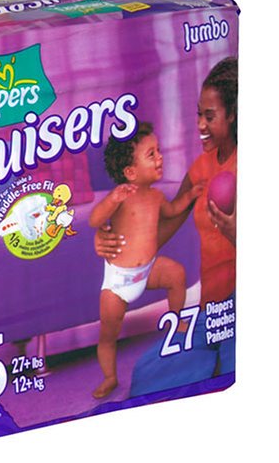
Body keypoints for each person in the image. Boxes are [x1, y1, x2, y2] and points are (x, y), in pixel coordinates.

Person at [94, 57, 238, 395]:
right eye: (198, 114)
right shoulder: (201, 168)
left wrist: (236, 233)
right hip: (211, 311)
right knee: (146, 376)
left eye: (210, 116)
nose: (200, 124)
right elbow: (159, 231)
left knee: (235, 368)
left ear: (233, 115)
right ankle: (214, 363)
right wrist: (111, 243)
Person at [90, 123, 203, 399]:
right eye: (151, 154)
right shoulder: (121, 197)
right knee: (108, 334)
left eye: (159, 151)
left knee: (176, 274)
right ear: (130, 172)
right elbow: (94, 220)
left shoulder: (156, 196)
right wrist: (111, 200)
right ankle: (110, 377)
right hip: (118, 281)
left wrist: (189, 195)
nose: (160, 157)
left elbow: (172, 211)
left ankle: (176, 319)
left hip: (148, 270)